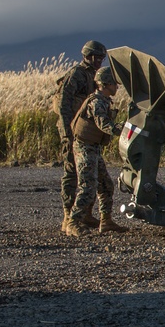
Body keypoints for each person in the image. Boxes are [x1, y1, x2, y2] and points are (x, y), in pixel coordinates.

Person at [64, 66, 128, 236]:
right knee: (88, 187)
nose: (117, 87)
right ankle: (73, 222)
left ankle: (106, 221)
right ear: (106, 84)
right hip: (85, 148)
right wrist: (124, 130)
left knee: (106, 185)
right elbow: (104, 125)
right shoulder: (97, 102)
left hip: (93, 148)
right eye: (114, 84)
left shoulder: (103, 100)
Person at [55, 40, 106, 233]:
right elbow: (63, 105)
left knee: (88, 172)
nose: (100, 61)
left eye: (102, 58)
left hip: (84, 132)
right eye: (98, 57)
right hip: (71, 132)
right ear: (89, 56)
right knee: (71, 173)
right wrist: (67, 132)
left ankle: (85, 214)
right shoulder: (76, 75)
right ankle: (69, 216)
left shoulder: (93, 75)